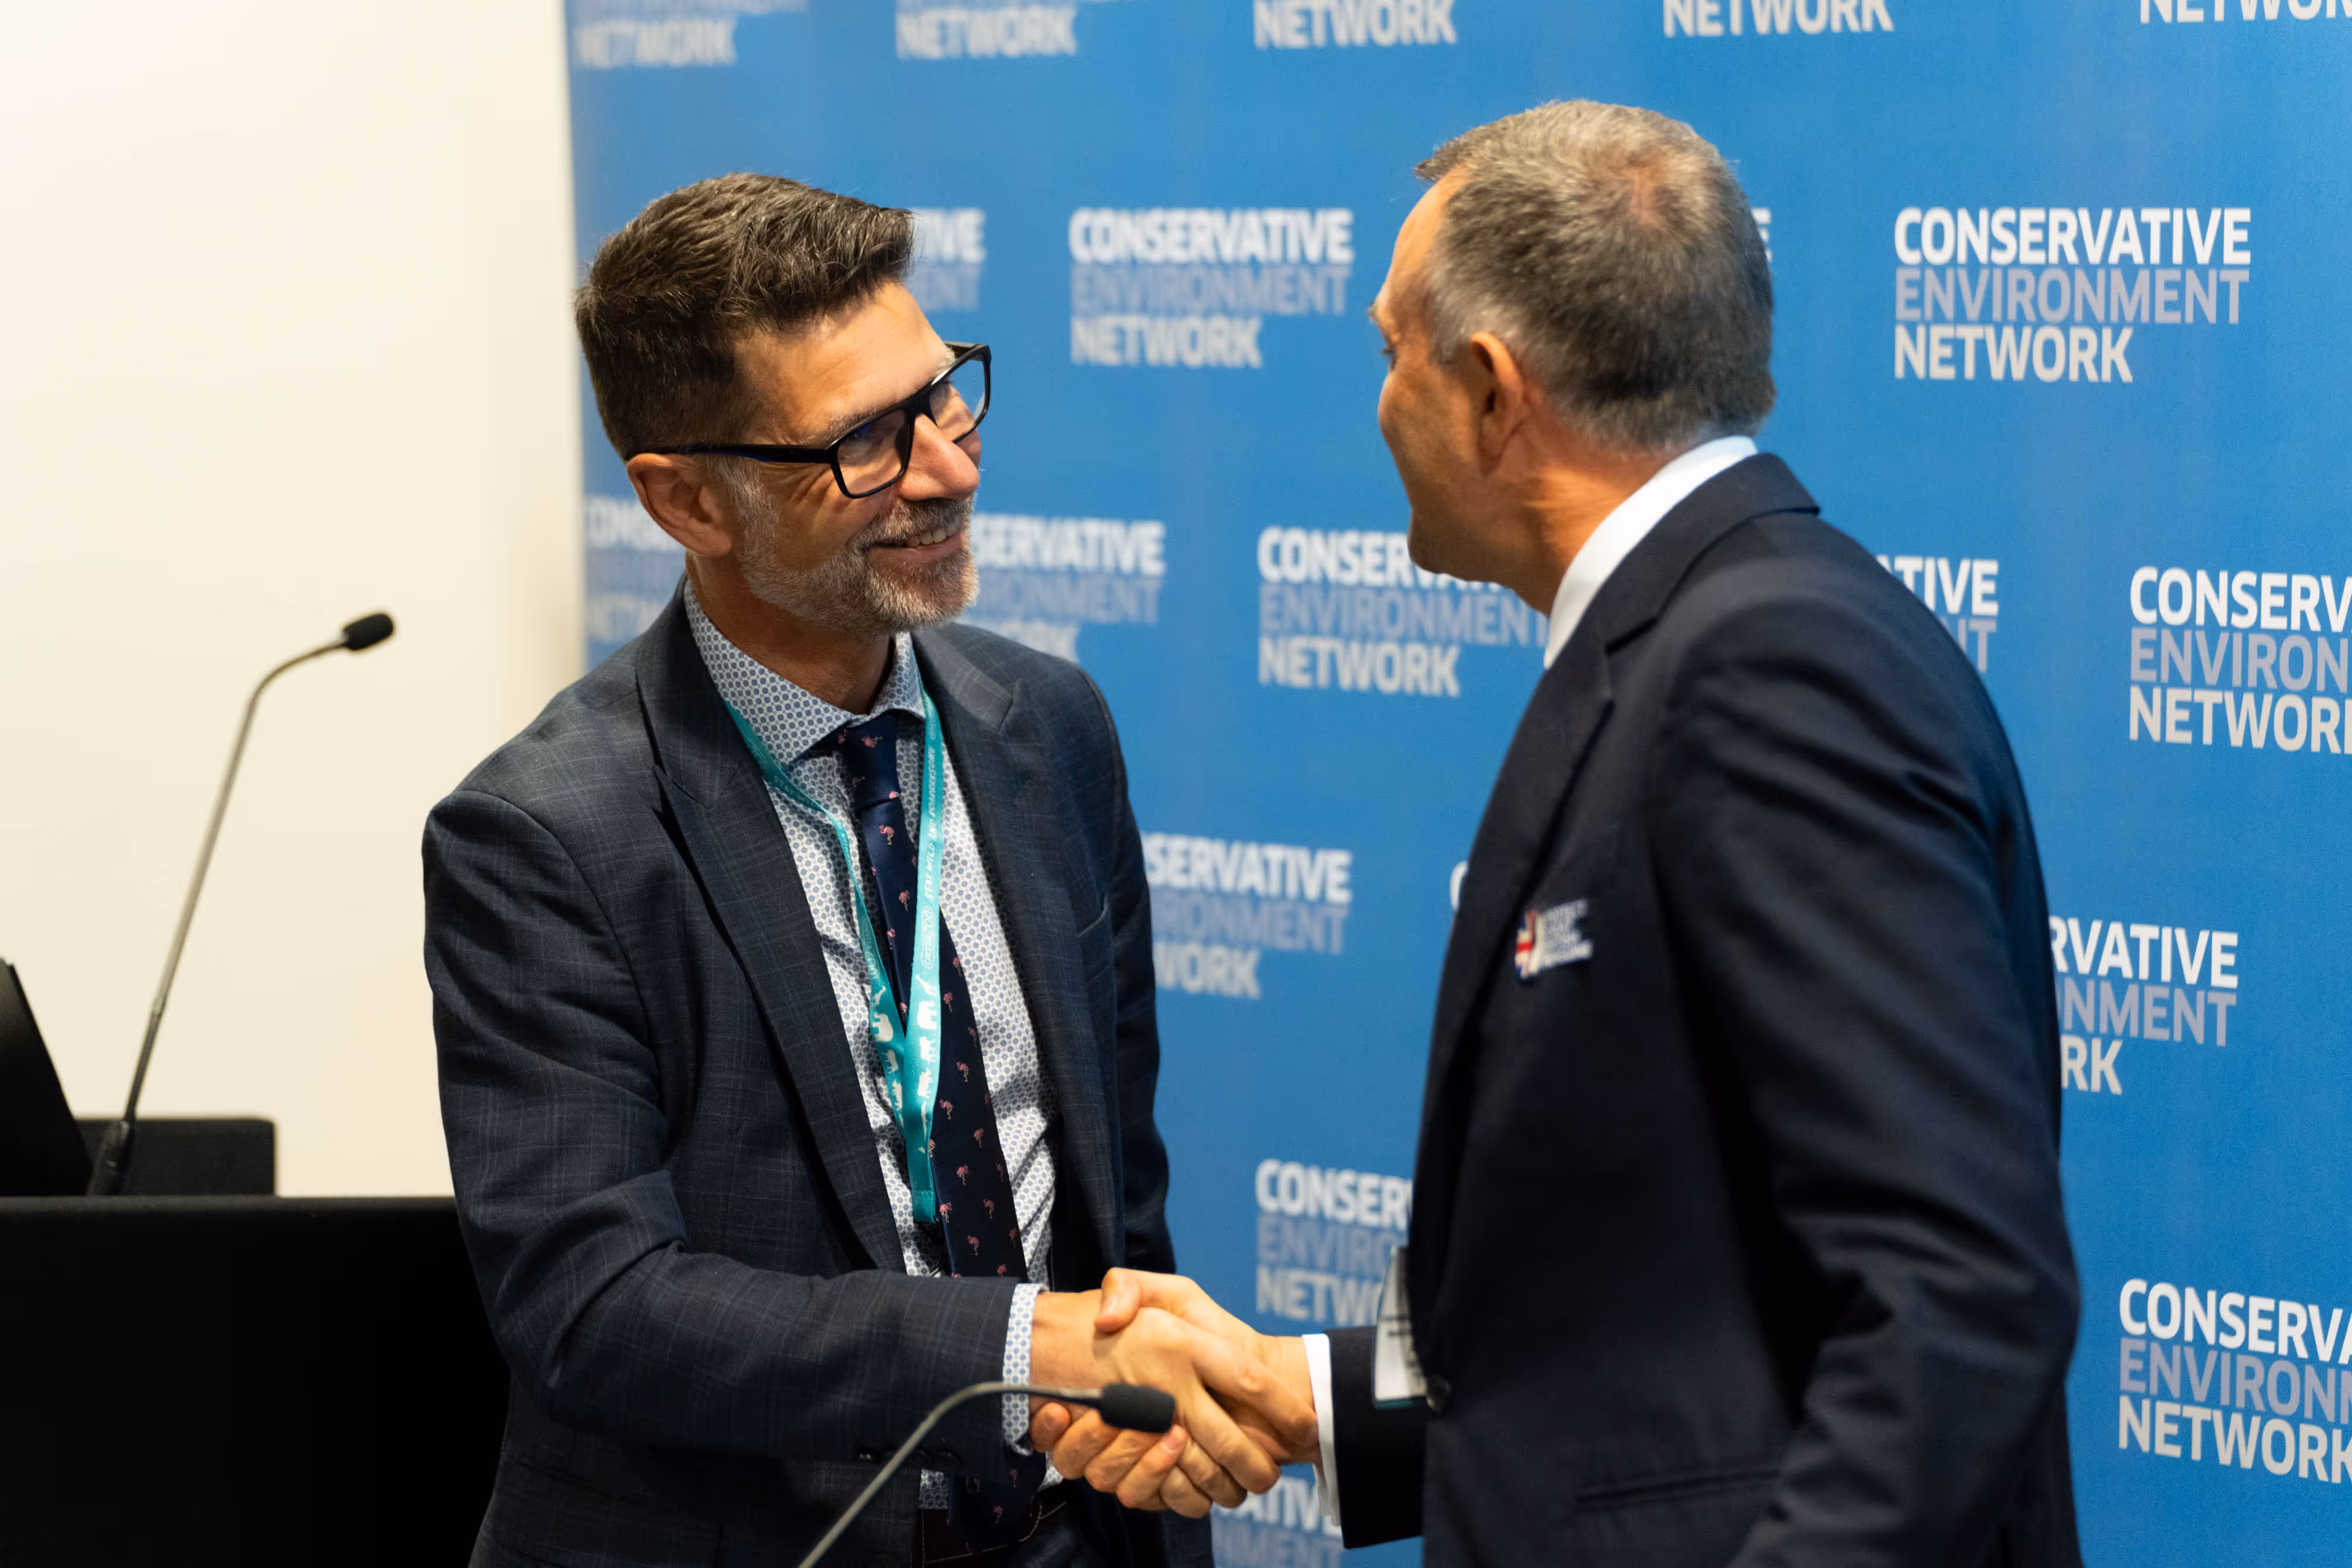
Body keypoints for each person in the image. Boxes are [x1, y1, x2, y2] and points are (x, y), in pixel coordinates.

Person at [1035, 102, 2084, 1567]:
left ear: (1486, 391)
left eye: (1388, 350)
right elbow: (1665, 1316)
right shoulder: (1693, 637)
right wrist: (1302, 1399)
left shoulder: (1767, 664)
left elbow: (1955, 1290)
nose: (1378, 400)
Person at [423, 173, 1311, 1568]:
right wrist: (1023, 1346)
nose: (948, 468)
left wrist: (1128, 1391)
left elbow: (1111, 1204)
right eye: (863, 444)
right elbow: (593, 1305)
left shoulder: (1049, 729)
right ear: (686, 501)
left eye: (943, 394)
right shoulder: (546, 836)